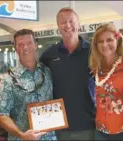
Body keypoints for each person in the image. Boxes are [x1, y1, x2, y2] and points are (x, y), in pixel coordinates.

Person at [40, 7, 95, 140]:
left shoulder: (93, 51)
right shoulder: (49, 55)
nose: (68, 25)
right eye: (63, 22)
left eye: (71, 21)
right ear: (58, 27)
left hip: (90, 124)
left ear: (79, 24)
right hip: (60, 126)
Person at [0, 29, 57, 140]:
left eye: (29, 43)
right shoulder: (8, 80)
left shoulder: (48, 72)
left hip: (49, 137)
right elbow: (0, 114)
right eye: (21, 45)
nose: (25, 48)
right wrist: (21, 134)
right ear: (15, 49)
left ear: (35, 45)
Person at [89, 23, 123, 140]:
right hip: (102, 132)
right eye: (100, 41)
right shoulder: (95, 65)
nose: (105, 44)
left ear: (117, 39)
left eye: (109, 40)